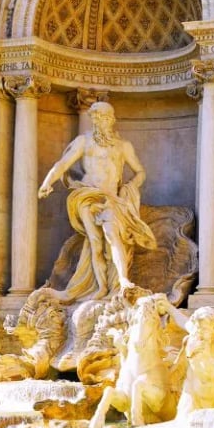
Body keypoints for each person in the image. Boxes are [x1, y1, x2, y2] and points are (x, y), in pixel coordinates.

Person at [37, 101, 156, 301]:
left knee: (111, 234)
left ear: (112, 120)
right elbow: (62, 164)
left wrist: (131, 186)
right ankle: (100, 287)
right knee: (94, 241)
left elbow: (140, 171)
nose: (100, 121)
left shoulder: (123, 146)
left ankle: (123, 281)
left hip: (111, 198)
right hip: (87, 195)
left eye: (104, 118)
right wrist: (47, 182)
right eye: (96, 118)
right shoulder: (84, 141)